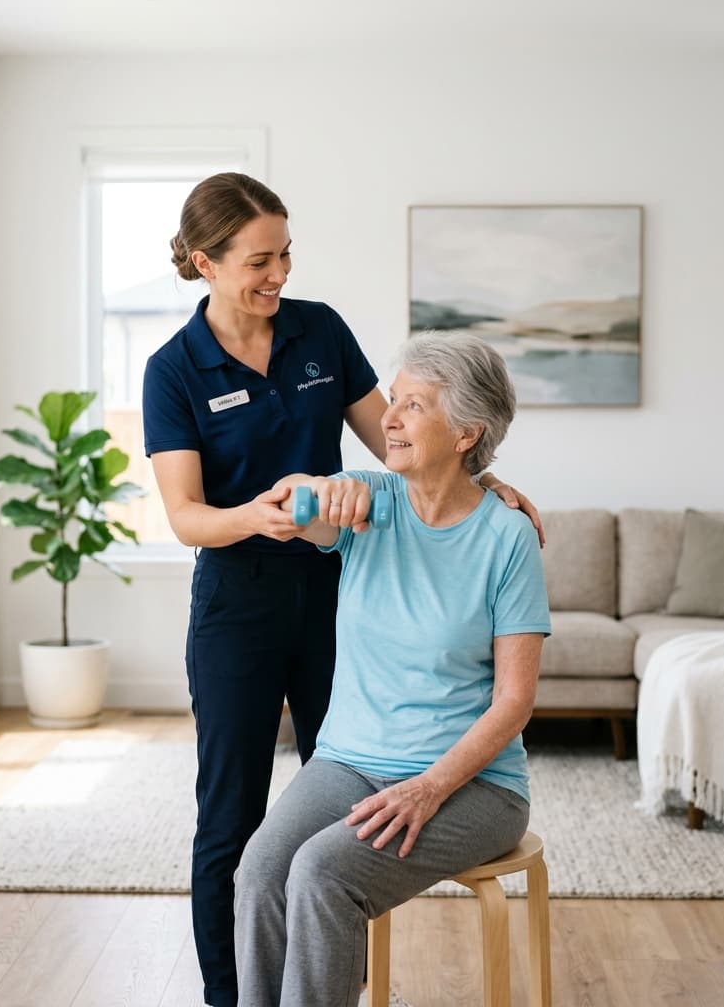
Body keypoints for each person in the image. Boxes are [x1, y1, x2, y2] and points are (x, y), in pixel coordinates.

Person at [142, 172, 543, 1007]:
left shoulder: (318, 330)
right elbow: (185, 516)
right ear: (206, 263)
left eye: (285, 254)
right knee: (235, 825)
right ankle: (230, 998)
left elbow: (405, 438)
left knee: (334, 854)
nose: (279, 273)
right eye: (260, 260)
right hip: (242, 603)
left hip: (338, 590)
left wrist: (485, 482)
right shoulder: (173, 369)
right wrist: (261, 514)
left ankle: (327, 987)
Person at [233, 329, 550, 1007]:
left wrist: (428, 787)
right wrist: (311, 487)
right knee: (261, 869)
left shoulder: (507, 536)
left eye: (414, 405)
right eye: (394, 398)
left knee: (322, 872)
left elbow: (514, 701)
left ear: (466, 433)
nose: (389, 419)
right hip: (349, 760)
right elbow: (286, 507)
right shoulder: (367, 503)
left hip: (474, 785)